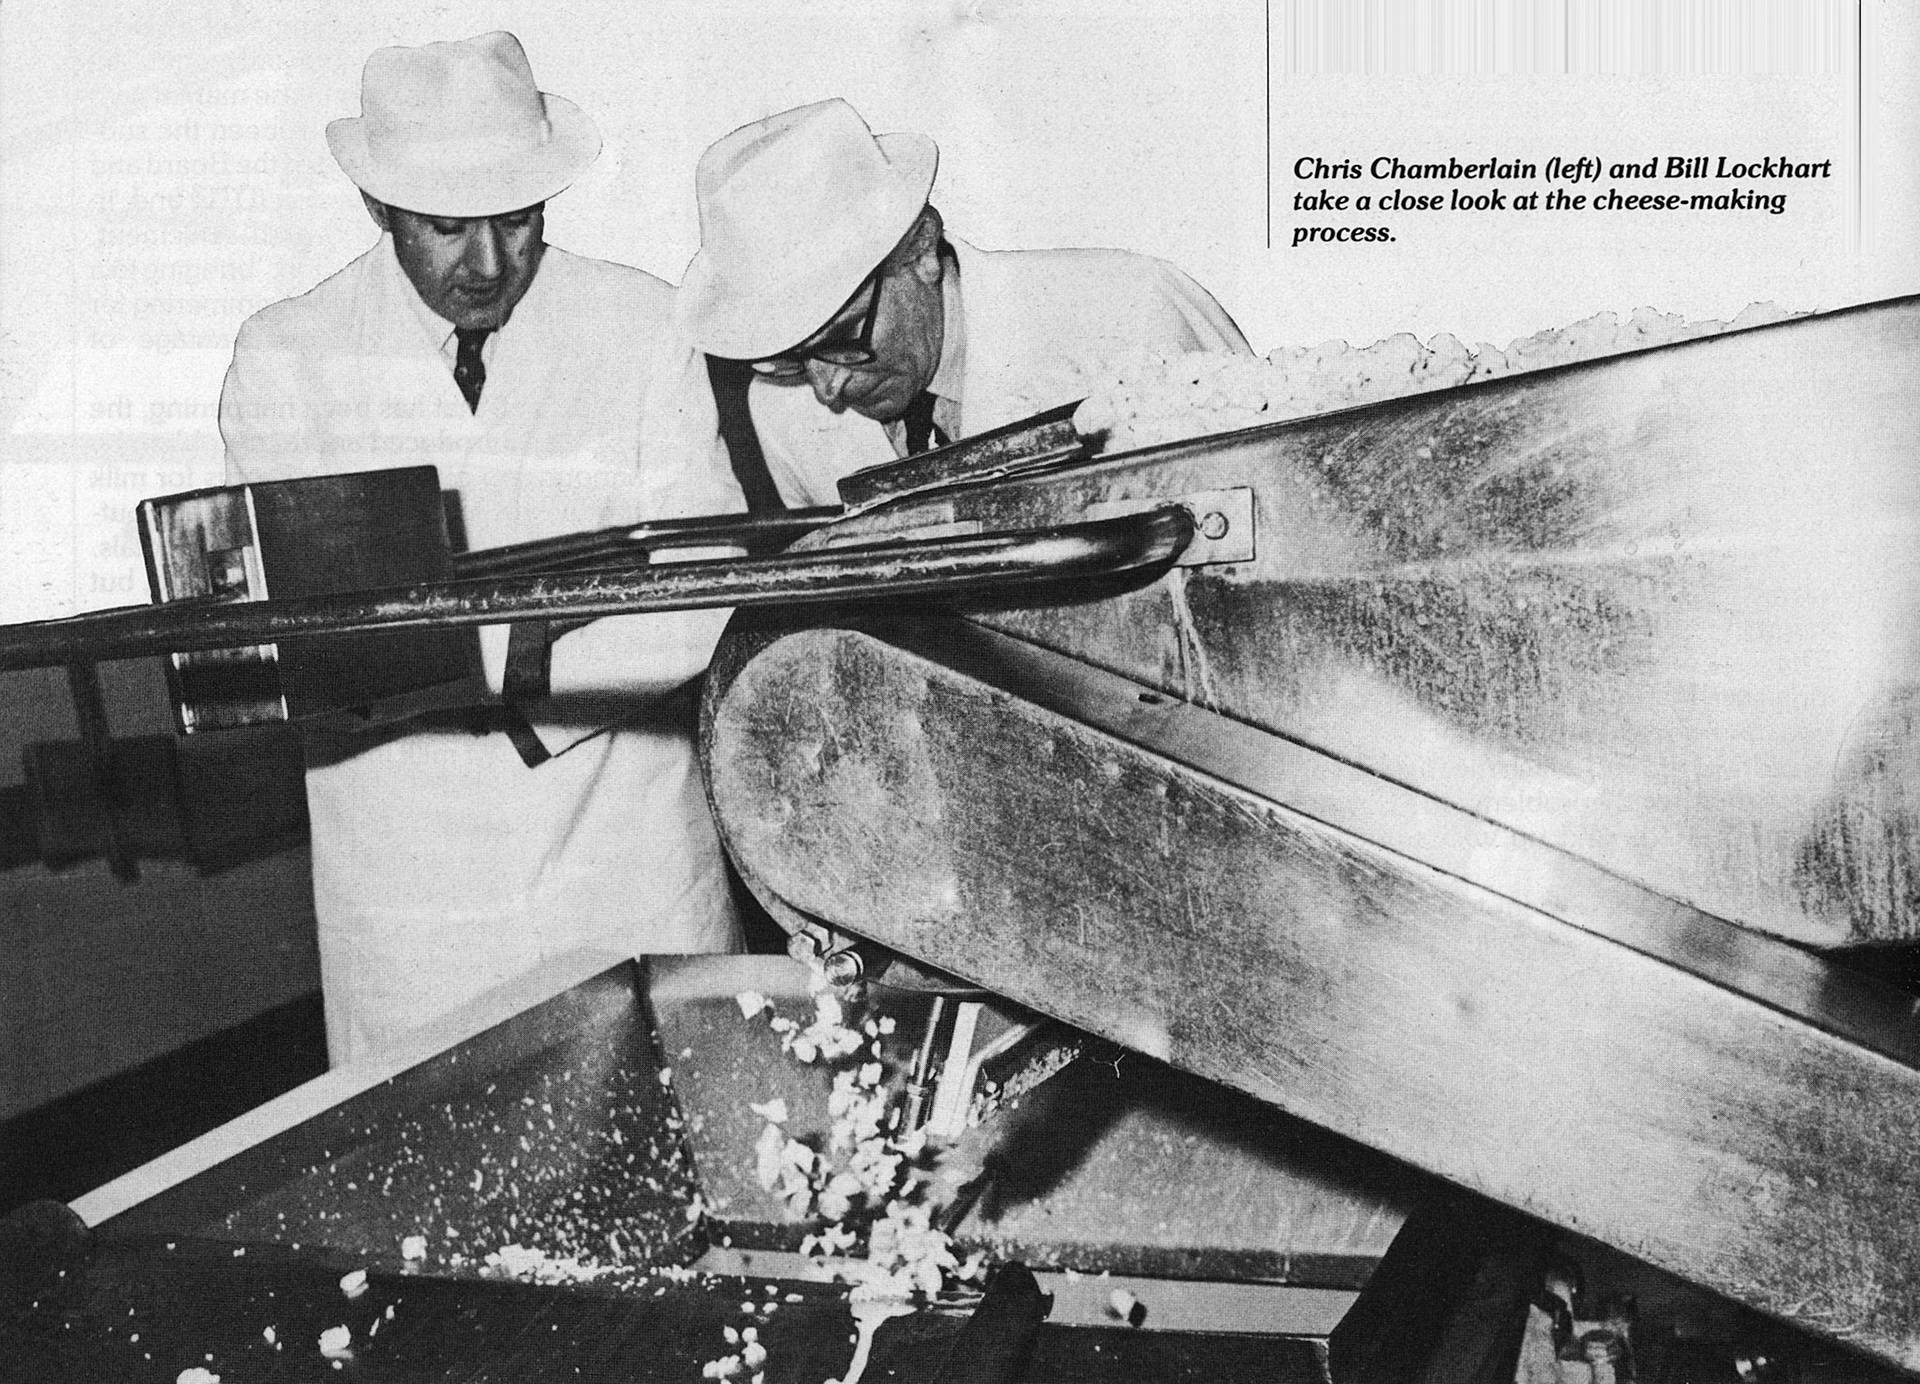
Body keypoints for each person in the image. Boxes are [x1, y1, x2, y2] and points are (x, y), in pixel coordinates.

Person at [219, 32, 743, 1066]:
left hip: (625, 851)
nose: (490, 264)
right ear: (378, 207)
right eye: (448, 228)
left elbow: (706, 590)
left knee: (687, 1146)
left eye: (517, 221)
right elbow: (313, 642)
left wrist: (476, 653)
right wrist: (563, 620)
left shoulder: (643, 327)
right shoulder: (290, 361)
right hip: (410, 883)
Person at [674, 98, 1252, 509]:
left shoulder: (1131, 310)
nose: (826, 390)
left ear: (921, 249)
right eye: (791, 360)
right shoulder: (782, 413)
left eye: (844, 337)